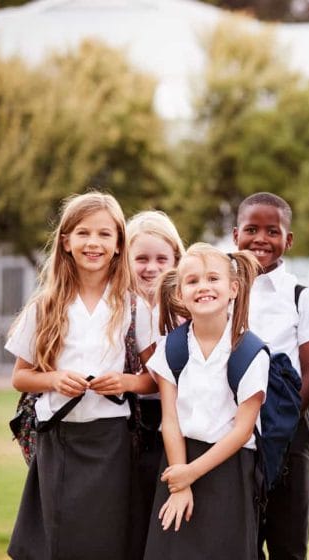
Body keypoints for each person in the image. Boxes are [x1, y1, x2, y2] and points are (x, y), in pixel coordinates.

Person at [5, 192, 156, 560]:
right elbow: (21, 377)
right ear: (66, 241)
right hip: (59, 437)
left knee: (110, 541)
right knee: (58, 542)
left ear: (119, 244)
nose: (94, 243)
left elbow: (154, 379)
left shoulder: (134, 306)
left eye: (105, 234)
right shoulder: (46, 305)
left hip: (113, 440)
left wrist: (127, 382)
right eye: (83, 233)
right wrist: (53, 379)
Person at [142, 244, 264, 558]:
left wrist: (191, 474)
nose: (204, 287)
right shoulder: (171, 348)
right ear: (180, 294)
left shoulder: (250, 352)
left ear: (233, 288)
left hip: (229, 469)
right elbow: (169, 420)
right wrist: (180, 481)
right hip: (178, 460)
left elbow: (242, 431)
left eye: (213, 279)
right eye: (193, 281)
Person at [234, 192, 309, 559]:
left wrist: (278, 426)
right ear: (234, 234)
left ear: (288, 240)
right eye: (251, 229)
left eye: (272, 231)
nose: (260, 239)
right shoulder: (222, 289)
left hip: (287, 429)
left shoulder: (301, 297)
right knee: (241, 537)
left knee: (288, 539)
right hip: (231, 427)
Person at [126, 209, 186, 559]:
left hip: (175, 427)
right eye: (141, 259)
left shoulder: (187, 310)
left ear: (176, 260)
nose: (151, 267)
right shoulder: (120, 310)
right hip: (129, 427)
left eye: (161, 259)